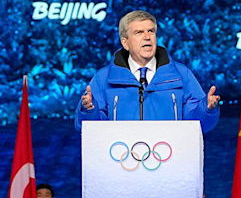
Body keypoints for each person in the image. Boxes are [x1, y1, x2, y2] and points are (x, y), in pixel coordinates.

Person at [75, 10, 221, 132]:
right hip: (121, 161)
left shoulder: (181, 74)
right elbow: (88, 128)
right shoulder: (103, 78)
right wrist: (88, 111)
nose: (147, 37)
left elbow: (197, 124)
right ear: (125, 42)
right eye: (139, 32)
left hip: (168, 159)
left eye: (151, 31)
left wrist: (206, 108)